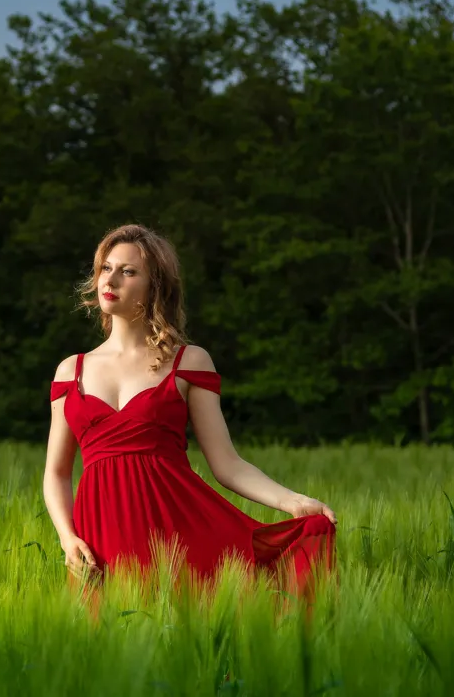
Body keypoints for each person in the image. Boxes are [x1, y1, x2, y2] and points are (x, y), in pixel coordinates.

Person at [42, 223, 336, 604]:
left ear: (155, 287)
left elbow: (227, 464)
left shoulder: (188, 362)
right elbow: (57, 473)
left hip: (177, 538)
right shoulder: (71, 371)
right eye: (105, 268)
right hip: (97, 544)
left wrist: (292, 501)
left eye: (128, 271)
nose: (109, 280)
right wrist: (67, 538)